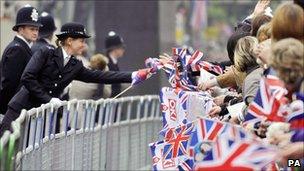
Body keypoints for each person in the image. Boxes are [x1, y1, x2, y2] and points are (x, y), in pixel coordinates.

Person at [0, 22, 153, 136]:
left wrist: (134, 75)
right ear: (69, 40)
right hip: (19, 111)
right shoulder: (45, 53)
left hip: (40, 118)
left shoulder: (75, 65)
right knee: (5, 151)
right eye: (81, 41)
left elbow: (100, 76)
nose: (84, 46)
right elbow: (28, 77)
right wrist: (49, 99)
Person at [0, 5, 42, 114]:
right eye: (32, 29)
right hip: (11, 110)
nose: (35, 33)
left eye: (37, 29)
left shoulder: (23, 48)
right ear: (20, 29)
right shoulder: (17, 49)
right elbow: (9, 85)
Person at [104, 31, 126, 97]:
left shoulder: (113, 63)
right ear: (115, 49)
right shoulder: (107, 64)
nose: (123, 50)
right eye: (122, 47)